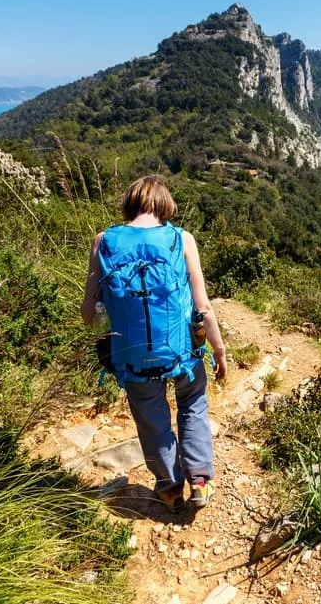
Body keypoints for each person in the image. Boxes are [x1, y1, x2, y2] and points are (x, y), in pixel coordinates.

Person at [81, 175, 227, 512]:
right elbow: (202, 307)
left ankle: (169, 486)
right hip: (183, 354)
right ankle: (200, 481)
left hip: (132, 358)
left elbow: (88, 313)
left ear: (130, 203)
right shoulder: (181, 239)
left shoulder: (103, 241)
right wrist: (219, 351)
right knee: (192, 404)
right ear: (165, 206)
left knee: (151, 419)